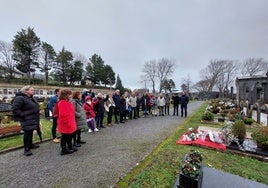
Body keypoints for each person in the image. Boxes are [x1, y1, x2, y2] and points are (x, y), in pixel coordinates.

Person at [12, 85, 40, 156]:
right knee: (27, 133)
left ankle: (30, 144)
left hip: (33, 118)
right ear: (26, 91)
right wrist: (23, 115)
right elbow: (15, 109)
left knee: (30, 132)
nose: (33, 91)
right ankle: (26, 149)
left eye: (33, 90)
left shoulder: (30, 98)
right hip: (26, 119)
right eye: (31, 90)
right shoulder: (20, 98)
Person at [57, 89, 77, 155]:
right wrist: (67, 123)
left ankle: (70, 147)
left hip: (70, 122)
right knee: (65, 137)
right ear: (66, 95)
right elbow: (62, 114)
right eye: (70, 94)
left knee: (69, 136)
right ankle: (64, 150)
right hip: (66, 123)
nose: (71, 95)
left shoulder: (67, 102)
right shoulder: (62, 102)